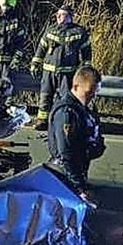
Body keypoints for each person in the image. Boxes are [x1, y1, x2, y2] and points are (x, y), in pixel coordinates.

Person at [29, 5, 92, 130]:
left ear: (69, 17)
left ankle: (66, 121)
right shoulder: (51, 30)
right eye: (57, 14)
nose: (58, 17)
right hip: (49, 71)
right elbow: (41, 49)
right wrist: (35, 63)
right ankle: (43, 120)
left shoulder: (79, 32)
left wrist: (85, 69)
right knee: (45, 96)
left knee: (66, 98)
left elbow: (87, 52)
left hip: (68, 73)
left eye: (62, 14)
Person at [48, 65, 106, 200]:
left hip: (79, 170)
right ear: (75, 87)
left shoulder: (83, 109)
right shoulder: (66, 113)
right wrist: (79, 187)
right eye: (88, 93)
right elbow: (66, 153)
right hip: (65, 176)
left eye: (95, 94)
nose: (92, 98)